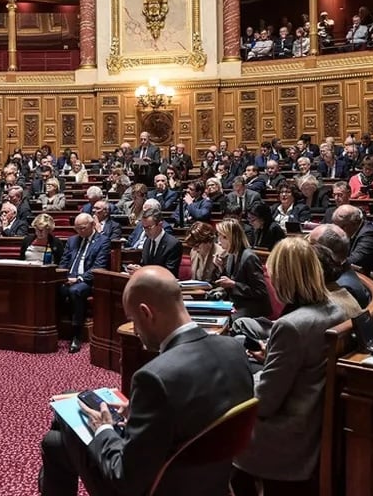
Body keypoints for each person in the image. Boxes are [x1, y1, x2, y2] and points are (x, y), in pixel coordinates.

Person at [38, 266, 255, 496]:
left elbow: (124, 479)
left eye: (133, 320)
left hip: (153, 488)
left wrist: (103, 429)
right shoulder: (234, 349)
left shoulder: (154, 377)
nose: (135, 330)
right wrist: (141, 412)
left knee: (62, 426)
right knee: (55, 441)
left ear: (146, 313)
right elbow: (198, 407)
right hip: (210, 482)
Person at [232, 238, 348, 495]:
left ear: (284, 277)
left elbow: (265, 402)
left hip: (285, 435)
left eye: (272, 273)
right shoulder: (335, 310)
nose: (270, 280)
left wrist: (235, 386)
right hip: (312, 421)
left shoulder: (291, 326)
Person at [58, 213, 111, 352]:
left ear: (92, 224)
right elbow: (64, 262)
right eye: (76, 228)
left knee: (75, 291)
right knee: (53, 288)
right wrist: (61, 276)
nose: (79, 231)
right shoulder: (72, 240)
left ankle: (76, 335)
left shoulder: (103, 241)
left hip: (88, 280)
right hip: (69, 277)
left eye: (82, 228)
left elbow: (98, 267)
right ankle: (53, 328)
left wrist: (79, 279)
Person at [214, 218, 271, 320]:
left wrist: (234, 284)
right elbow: (227, 281)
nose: (218, 240)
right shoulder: (231, 255)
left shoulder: (249, 257)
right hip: (237, 303)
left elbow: (260, 291)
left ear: (229, 238)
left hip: (252, 308)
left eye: (220, 236)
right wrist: (220, 267)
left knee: (227, 319)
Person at [332, 204, 373, 281]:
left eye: (341, 226)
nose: (338, 231)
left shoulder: (369, 234)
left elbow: (354, 262)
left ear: (353, 223)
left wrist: (330, 263)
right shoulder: (353, 230)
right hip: (362, 278)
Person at [126, 206, 182, 277]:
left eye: (149, 227)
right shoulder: (147, 242)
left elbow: (169, 273)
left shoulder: (173, 244)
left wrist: (143, 271)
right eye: (144, 227)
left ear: (160, 225)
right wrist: (136, 269)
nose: (146, 231)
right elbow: (145, 265)